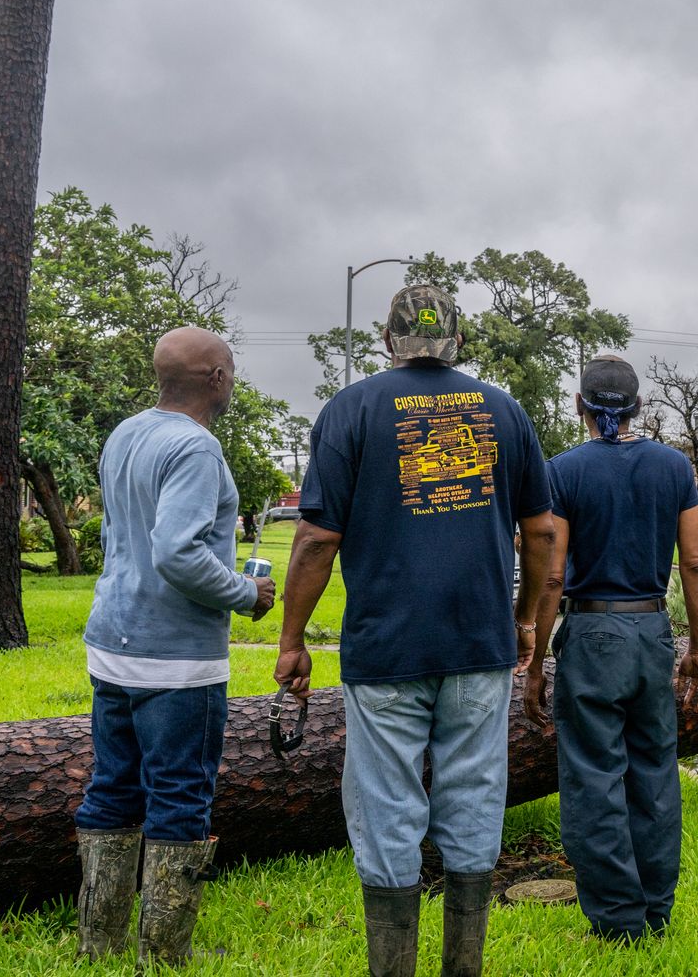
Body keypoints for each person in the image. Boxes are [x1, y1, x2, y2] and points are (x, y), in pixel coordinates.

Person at [274, 285, 555, 977]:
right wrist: (524, 622)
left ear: (386, 340)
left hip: (385, 647)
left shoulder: (350, 410)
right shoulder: (504, 410)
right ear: (458, 340)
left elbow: (315, 540)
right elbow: (541, 530)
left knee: (386, 806)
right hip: (478, 644)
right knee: (474, 800)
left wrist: (291, 638)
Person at [75, 326, 277, 967]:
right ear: (216, 378)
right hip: (176, 661)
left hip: (112, 641)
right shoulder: (196, 449)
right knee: (180, 797)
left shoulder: (126, 433)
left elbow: (123, 538)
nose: (234, 378)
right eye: (232, 368)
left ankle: (98, 946)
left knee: (112, 789)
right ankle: (162, 956)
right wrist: (247, 594)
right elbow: (178, 553)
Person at [522, 353, 698, 942]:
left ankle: (617, 922)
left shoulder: (564, 471)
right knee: (654, 773)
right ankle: (656, 909)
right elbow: (696, 564)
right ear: (637, 408)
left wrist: (535, 658)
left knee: (592, 776)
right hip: (653, 632)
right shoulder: (674, 467)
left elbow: (553, 576)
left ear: (579, 406)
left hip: (593, 633)